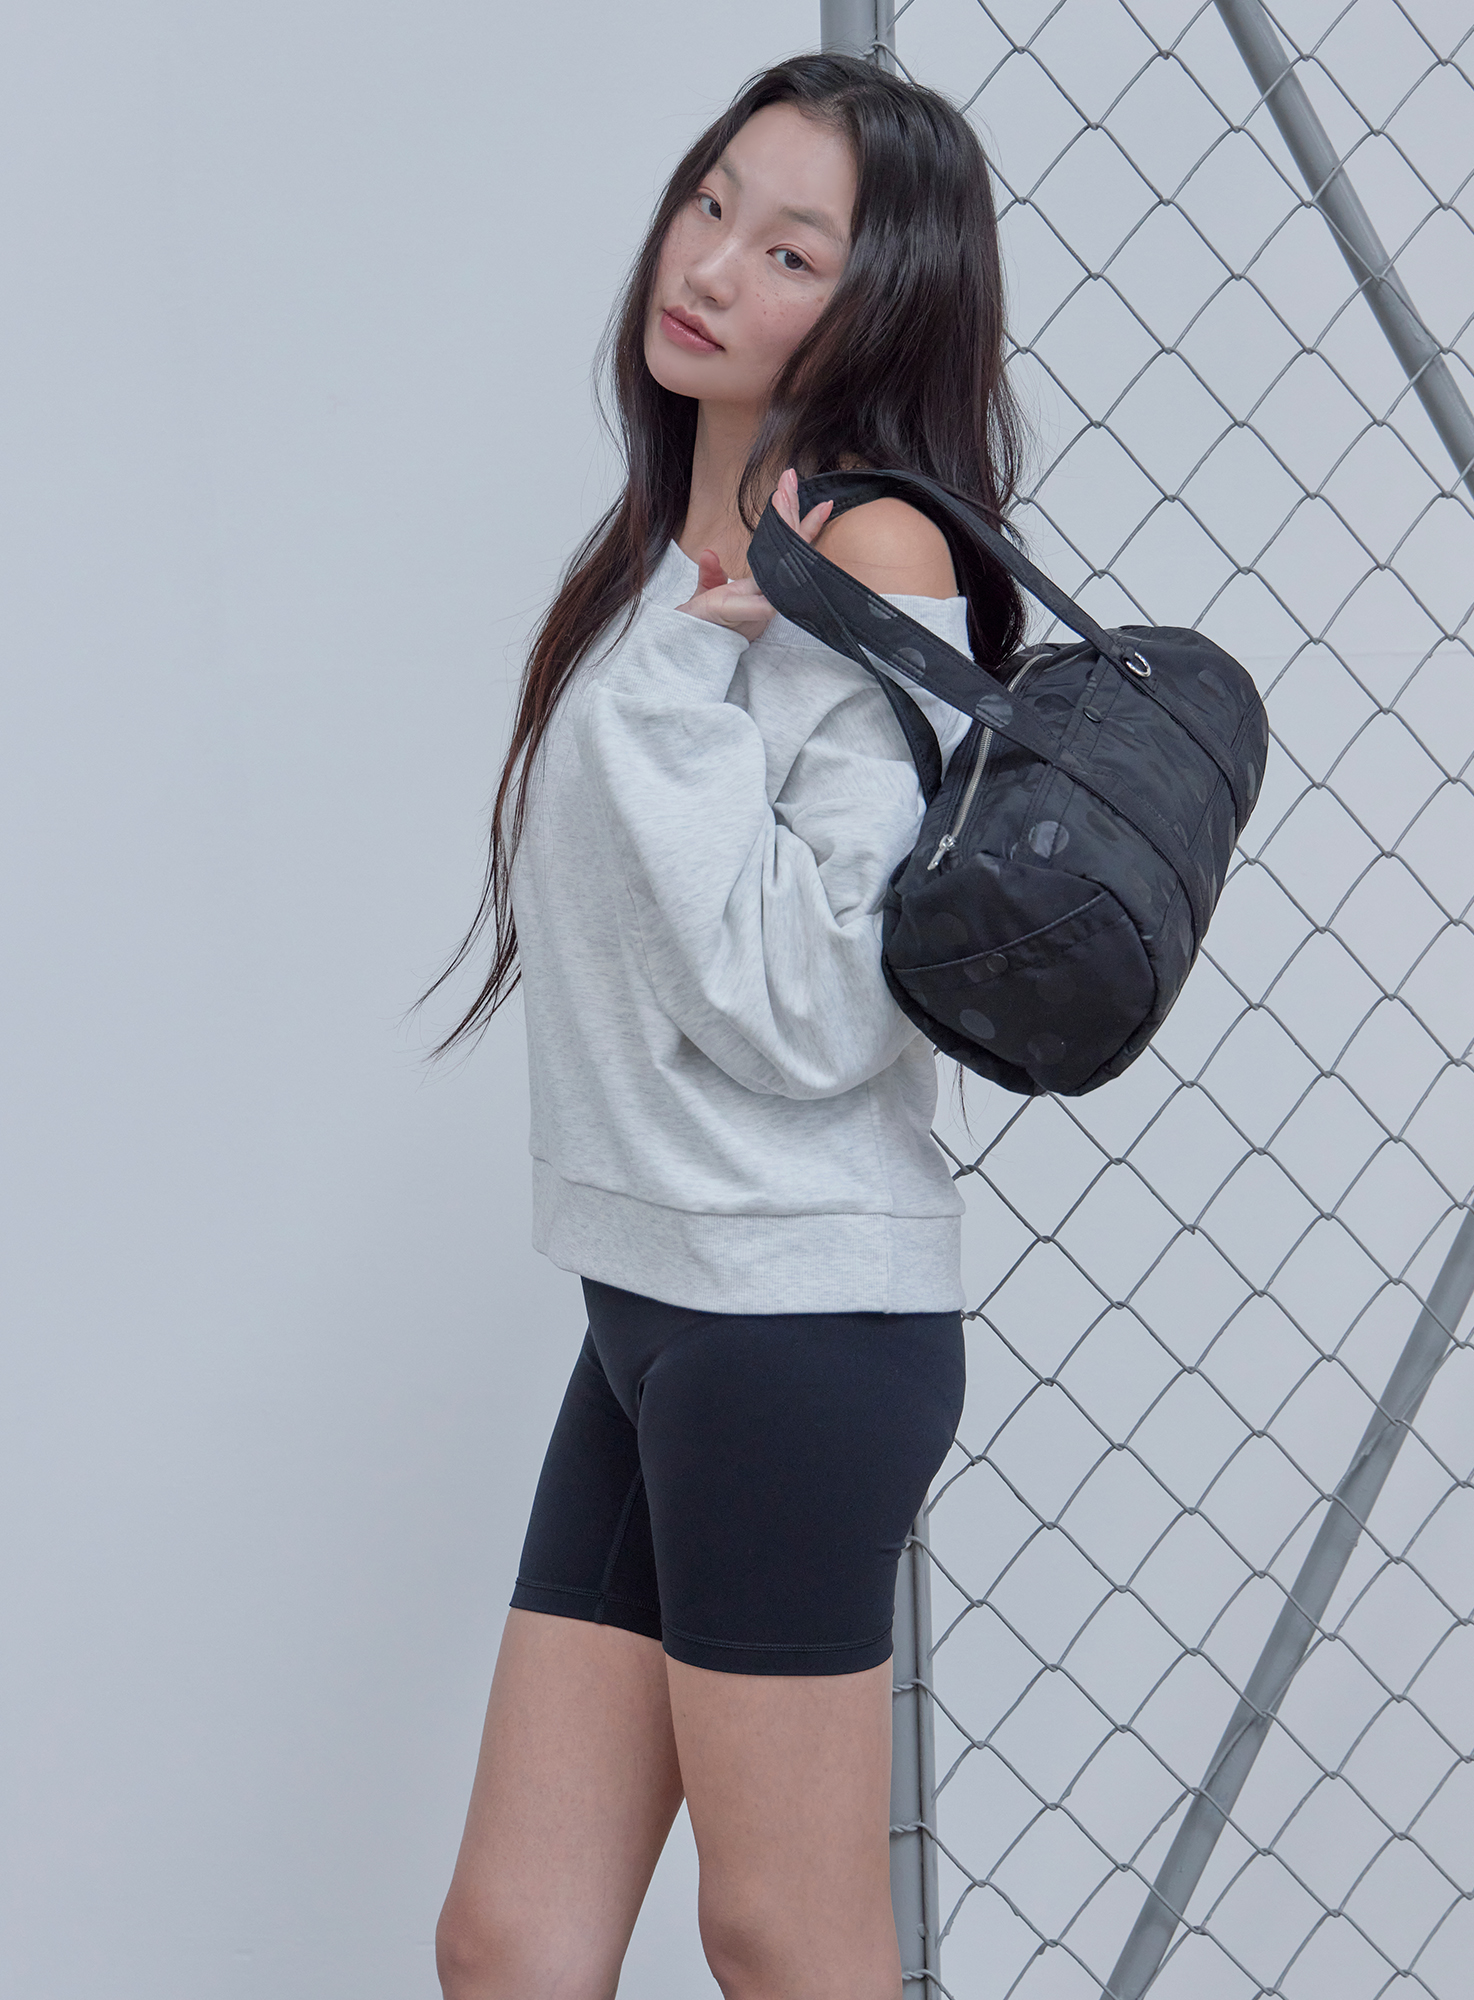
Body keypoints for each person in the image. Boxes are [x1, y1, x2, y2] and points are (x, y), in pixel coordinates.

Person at [429, 50, 1027, 2000]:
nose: (708, 267)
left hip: (794, 1321)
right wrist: (683, 642)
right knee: (513, 1944)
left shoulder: (872, 558)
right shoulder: (675, 549)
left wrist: (691, 680)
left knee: (783, 1928)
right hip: (653, 1299)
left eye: (790, 250)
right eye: (712, 204)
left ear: (882, 303)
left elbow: (819, 1005)